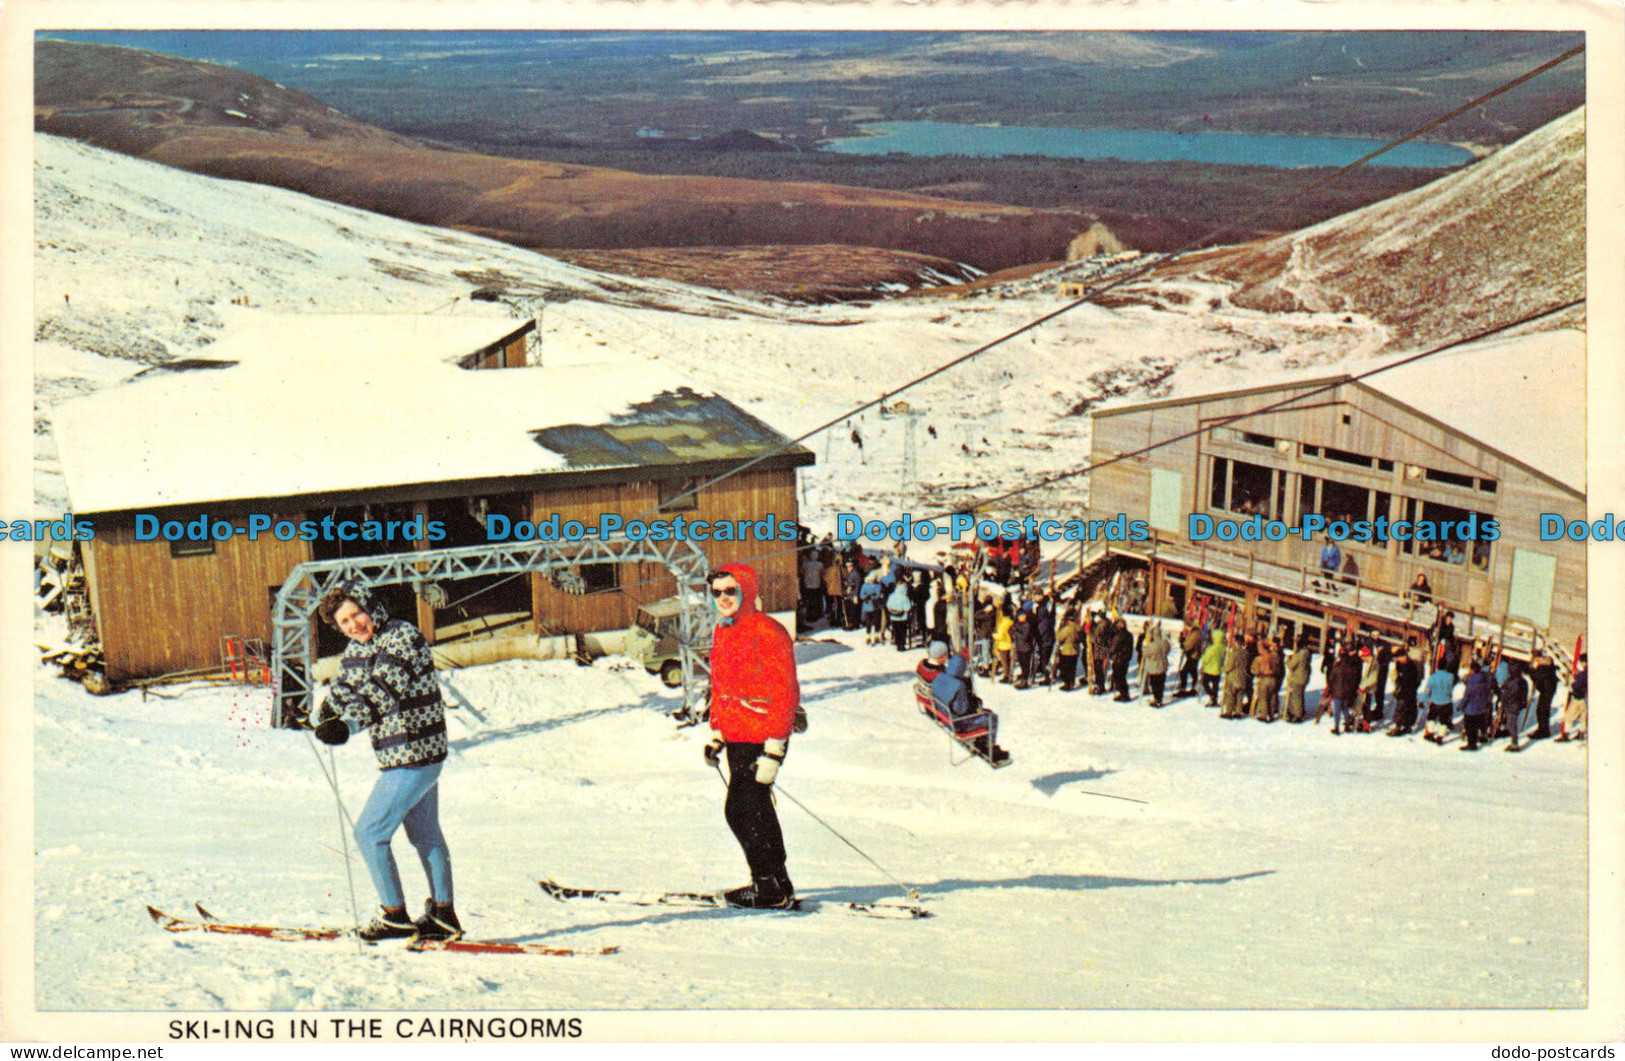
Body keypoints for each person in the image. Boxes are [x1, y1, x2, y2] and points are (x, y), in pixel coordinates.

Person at [310, 581, 459, 943]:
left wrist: (347, 725)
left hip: (413, 754)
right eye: (344, 621)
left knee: (370, 833)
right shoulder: (359, 648)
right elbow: (347, 685)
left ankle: (394, 916)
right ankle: (443, 915)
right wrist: (326, 712)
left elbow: (382, 691)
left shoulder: (401, 637)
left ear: (371, 606)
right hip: (410, 756)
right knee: (425, 835)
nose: (354, 625)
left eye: (357, 613)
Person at [701, 564, 800, 909]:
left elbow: (785, 692)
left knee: (740, 810)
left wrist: (774, 750)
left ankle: (768, 887)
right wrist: (718, 733)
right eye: (717, 592)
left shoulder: (768, 630)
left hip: (763, 734)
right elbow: (721, 687)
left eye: (731, 591)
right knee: (756, 808)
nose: (724, 598)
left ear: (746, 589)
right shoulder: (724, 631)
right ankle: (778, 882)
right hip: (738, 734)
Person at [930, 654, 1009, 764]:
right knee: (991, 717)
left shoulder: (940, 676)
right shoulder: (958, 685)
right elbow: (961, 710)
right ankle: (988, 747)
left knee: (983, 713)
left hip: (944, 716)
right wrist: (972, 705)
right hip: (958, 724)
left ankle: (982, 741)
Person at [1459, 659, 1494, 751]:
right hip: (1481, 707)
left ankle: (1471, 744)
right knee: (1477, 725)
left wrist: (1461, 706)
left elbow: (1466, 697)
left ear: (1472, 670)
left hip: (1471, 708)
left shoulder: (1471, 683)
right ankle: (1481, 737)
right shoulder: (1485, 680)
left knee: (1470, 728)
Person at [1421, 660, 1459, 745]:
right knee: (1444, 720)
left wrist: (1422, 700)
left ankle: (1430, 733)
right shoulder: (1451, 676)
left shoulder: (1433, 676)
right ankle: (1440, 737)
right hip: (1446, 701)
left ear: (1438, 666)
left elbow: (1427, 689)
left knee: (1431, 718)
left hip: (1435, 701)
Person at [1326, 647, 1361, 736]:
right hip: (1347, 692)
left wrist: (1331, 689)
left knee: (1337, 710)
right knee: (1345, 709)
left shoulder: (1336, 668)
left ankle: (1337, 727)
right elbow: (1355, 680)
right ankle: (1347, 726)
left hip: (1337, 692)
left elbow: (1330, 680)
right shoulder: (1352, 668)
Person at [1528, 652, 1559, 741]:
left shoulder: (1542, 668)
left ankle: (1543, 731)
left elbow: (1537, 679)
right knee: (1543, 710)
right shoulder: (1548, 665)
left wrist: (1532, 670)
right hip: (1548, 690)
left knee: (1542, 711)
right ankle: (1543, 729)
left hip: (1546, 691)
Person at [1556, 654, 1587, 742]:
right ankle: (1581, 733)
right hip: (1585, 698)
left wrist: (1574, 682)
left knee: (1569, 716)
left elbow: (1576, 685)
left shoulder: (1582, 675)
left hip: (1578, 697)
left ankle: (1565, 735)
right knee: (1583, 717)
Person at [1283, 636, 1313, 723]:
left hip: (1297, 678)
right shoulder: (1307, 653)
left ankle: (1297, 715)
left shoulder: (1301, 654)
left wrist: (1288, 660)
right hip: (1304, 677)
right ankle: (1298, 711)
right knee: (1299, 695)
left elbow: (1291, 665)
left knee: (1296, 697)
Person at [1140, 621, 1170, 707]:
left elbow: (1146, 653)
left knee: (1154, 684)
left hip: (1154, 667)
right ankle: (1159, 698)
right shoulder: (1165, 642)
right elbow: (1168, 649)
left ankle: (1157, 699)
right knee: (1161, 684)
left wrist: (1144, 646)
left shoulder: (1152, 645)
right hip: (1163, 665)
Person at [1200, 629, 1227, 708]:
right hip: (1218, 669)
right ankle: (1214, 699)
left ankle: (1211, 695)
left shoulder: (1211, 648)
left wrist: (1203, 658)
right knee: (1215, 685)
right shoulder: (1223, 648)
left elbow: (1206, 659)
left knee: (1205, 683)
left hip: (1209, 669)